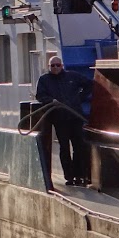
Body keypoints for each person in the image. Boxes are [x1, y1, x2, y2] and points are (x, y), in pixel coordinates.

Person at [36, 56, 92, 186]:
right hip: (59, 118)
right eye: (53, 66)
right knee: (64, 147)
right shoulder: (44, 80)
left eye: (58, 65)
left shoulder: (72, 76)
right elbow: (40, 95)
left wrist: (80, 98)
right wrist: (51, 101)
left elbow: (89, 84)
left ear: (62, 66)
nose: (55, 67)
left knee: (79, 146)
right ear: (49, 67)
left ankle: (80, 175)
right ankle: (69, 176)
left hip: (75, 116)